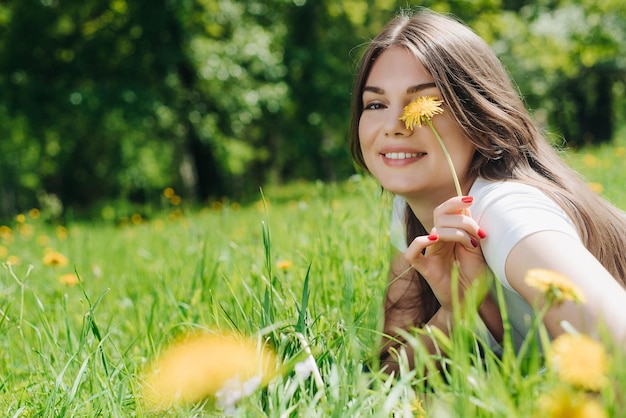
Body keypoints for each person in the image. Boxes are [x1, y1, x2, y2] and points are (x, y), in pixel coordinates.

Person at [349, 8, 626, 374]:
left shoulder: (506, 212)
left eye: (423, 104)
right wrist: (456, 311)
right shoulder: (411, 210)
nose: (395, 125)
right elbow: (390, 372)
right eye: (376, 104)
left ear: (478, 113)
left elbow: (618, 355)